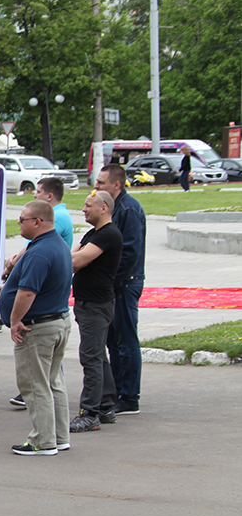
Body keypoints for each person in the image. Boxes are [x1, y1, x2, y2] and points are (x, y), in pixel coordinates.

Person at [0, 200, 73, 455]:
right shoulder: (57, 244)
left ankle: (43, 440)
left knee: (34, 384)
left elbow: (28, 292)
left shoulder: (40, 251)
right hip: (56, 321)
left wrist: (15, 321)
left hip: (38, 327)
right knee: (52, 382)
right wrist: (5, 291)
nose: (19, 223)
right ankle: (59, 436)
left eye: (23, 219)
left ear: (37, 222)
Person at [69, 191, 123, 433]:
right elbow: (75, 255)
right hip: (89, 303)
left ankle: (89, 413)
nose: (84, 209)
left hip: (96, 305)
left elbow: (76, 261)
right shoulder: (93, 234)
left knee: (90, 357)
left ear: (104, 208)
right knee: (98, 355)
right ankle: (106, 406)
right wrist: (76, 256)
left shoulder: (108, 234)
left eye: (88, 205)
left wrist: (76, 257)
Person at [96, 164, 146, 415]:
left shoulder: (128, 209)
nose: (96, 187)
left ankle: (129, 397)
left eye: (101, 183)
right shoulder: (114, 208)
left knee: (126, 341)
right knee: (114, 341)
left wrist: (110, 280)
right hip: (115, 283)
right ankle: (116, 392)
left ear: (116, 184)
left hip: (125, 283)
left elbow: (129, 252)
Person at [36, 178, 73, 250]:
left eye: (38, 192)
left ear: (49, 196)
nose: (35, 195)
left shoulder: (57, 216)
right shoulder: (56, 213)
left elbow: (37, 243)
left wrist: (18, 257)